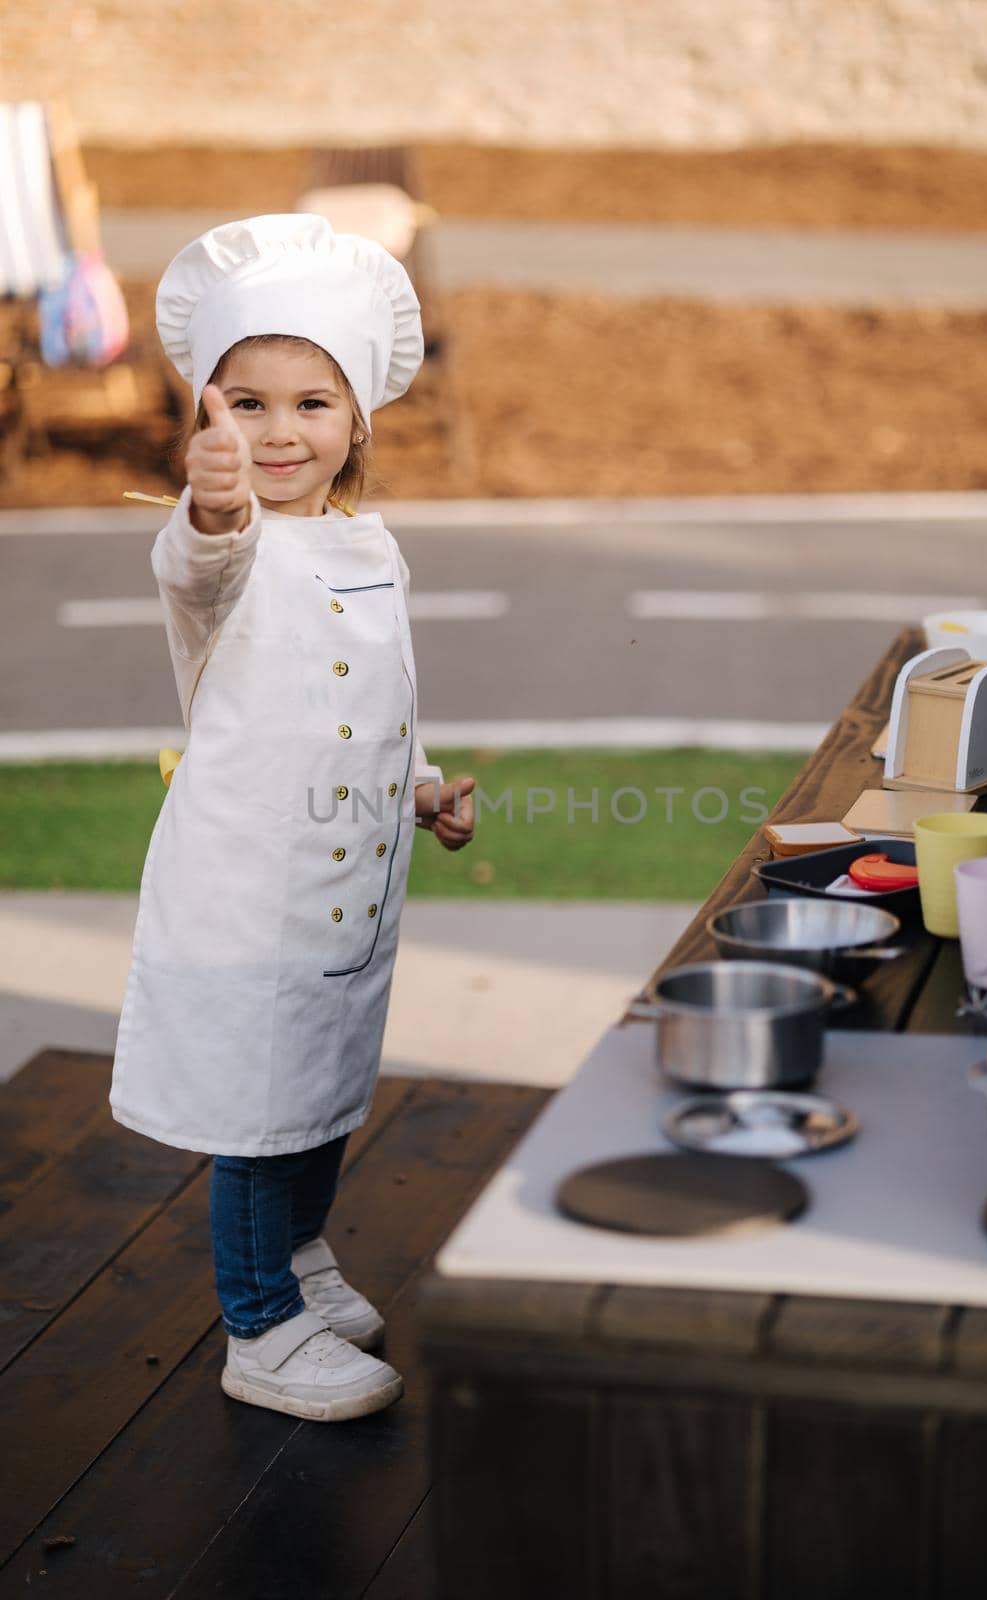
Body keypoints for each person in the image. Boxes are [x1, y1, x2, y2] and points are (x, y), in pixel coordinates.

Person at [109, 214, 476, 1423]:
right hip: (248, 879)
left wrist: (424, 786)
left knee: (322, 1080)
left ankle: (300, 1254)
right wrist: (209, 507)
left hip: (351, 884)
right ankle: (258, 1325)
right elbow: (200, 560)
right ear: (205, 416)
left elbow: (387, 696)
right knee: (259, 1105)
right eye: (246, 405)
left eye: (310, 403)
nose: (277, 432)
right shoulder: (221, 545)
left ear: (357, 421)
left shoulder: (369, 542)